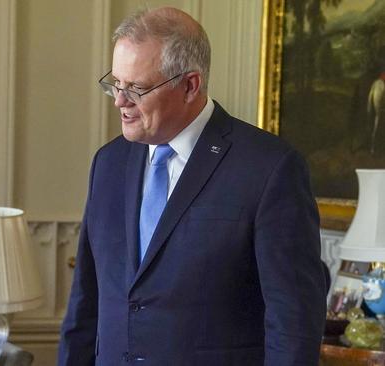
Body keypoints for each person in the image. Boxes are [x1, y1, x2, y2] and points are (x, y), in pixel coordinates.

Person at [58, 7, 326, 366]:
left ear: (190, 85)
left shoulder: (269, 168)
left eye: (136, 88)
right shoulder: (108, 164)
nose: (120, 102)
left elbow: (293, 325)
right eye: (115, 84)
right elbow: (85, 305)